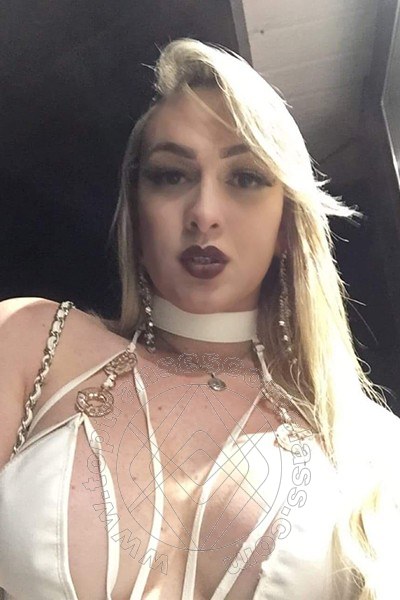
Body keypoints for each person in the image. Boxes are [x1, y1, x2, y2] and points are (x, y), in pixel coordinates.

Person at [0, 37, 399, 600]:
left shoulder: (370, 446)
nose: (204, 214)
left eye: (245, 178)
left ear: (287, 224)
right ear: (136, 211)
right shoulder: (31, 340)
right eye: (171, 175)